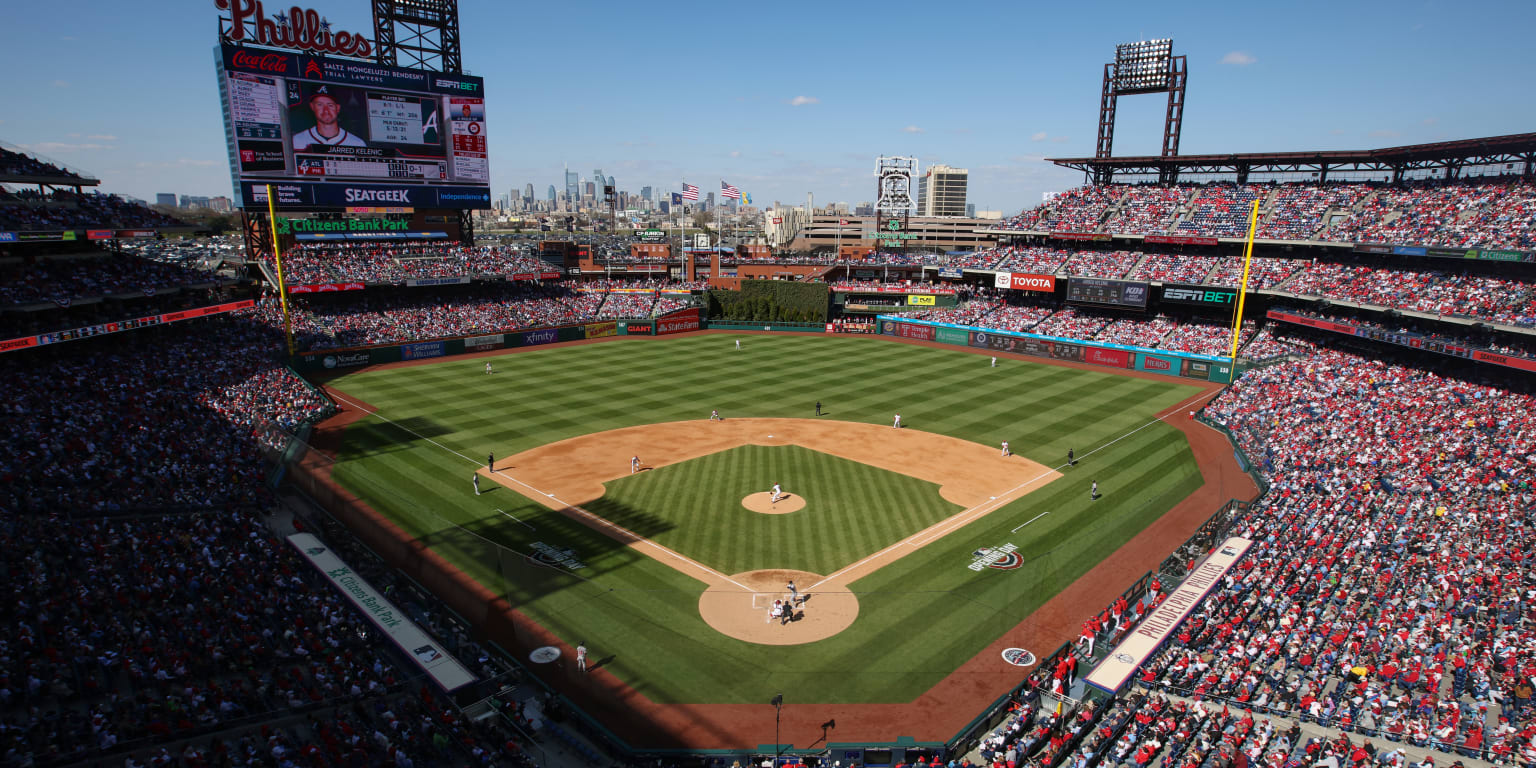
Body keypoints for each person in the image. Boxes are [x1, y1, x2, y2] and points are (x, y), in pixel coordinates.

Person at [291, 86, 367, 149]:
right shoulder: (297, 140)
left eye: (330, 105)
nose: (326, 110)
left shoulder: (357, 144)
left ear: (338, 108)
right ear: (312, 106)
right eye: (319, 104)